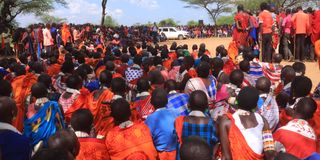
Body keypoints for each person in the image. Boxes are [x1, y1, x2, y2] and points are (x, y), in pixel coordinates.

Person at [218, 87, 275, 160]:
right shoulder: (263, 121)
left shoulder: (227, 122)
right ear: (255, 106)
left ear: (237, 100)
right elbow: (269, 153)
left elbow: (226, 157)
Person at [175, 91, 218, 159]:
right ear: (207, 106)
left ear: (188, 105)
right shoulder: (212, 124)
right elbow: (215, 143)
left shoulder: (180, 121)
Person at [24, 83, 65, 150]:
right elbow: (61, 123)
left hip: (33, 140)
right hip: (52, 141)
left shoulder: (28, 108)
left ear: (33, 96)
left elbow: (26, 126)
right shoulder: (55, 105)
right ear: (46, 93)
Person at [145, 89, 177, 160]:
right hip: (177, 152)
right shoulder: (175, 112)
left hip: (162, 155)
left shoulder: (150, 118)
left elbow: (148, 138)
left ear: (151, 102)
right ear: (167, 101)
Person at [86, 70, 114, 138]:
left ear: (99, 80)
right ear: (111, 81)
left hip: (90, 130)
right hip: (103, 132)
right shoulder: (110, 95)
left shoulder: (91, 95)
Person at [11, 64, 38, 131]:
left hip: (19, 109)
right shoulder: (32, 79)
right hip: (32, 109)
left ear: (15, 73)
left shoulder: (13, 83)